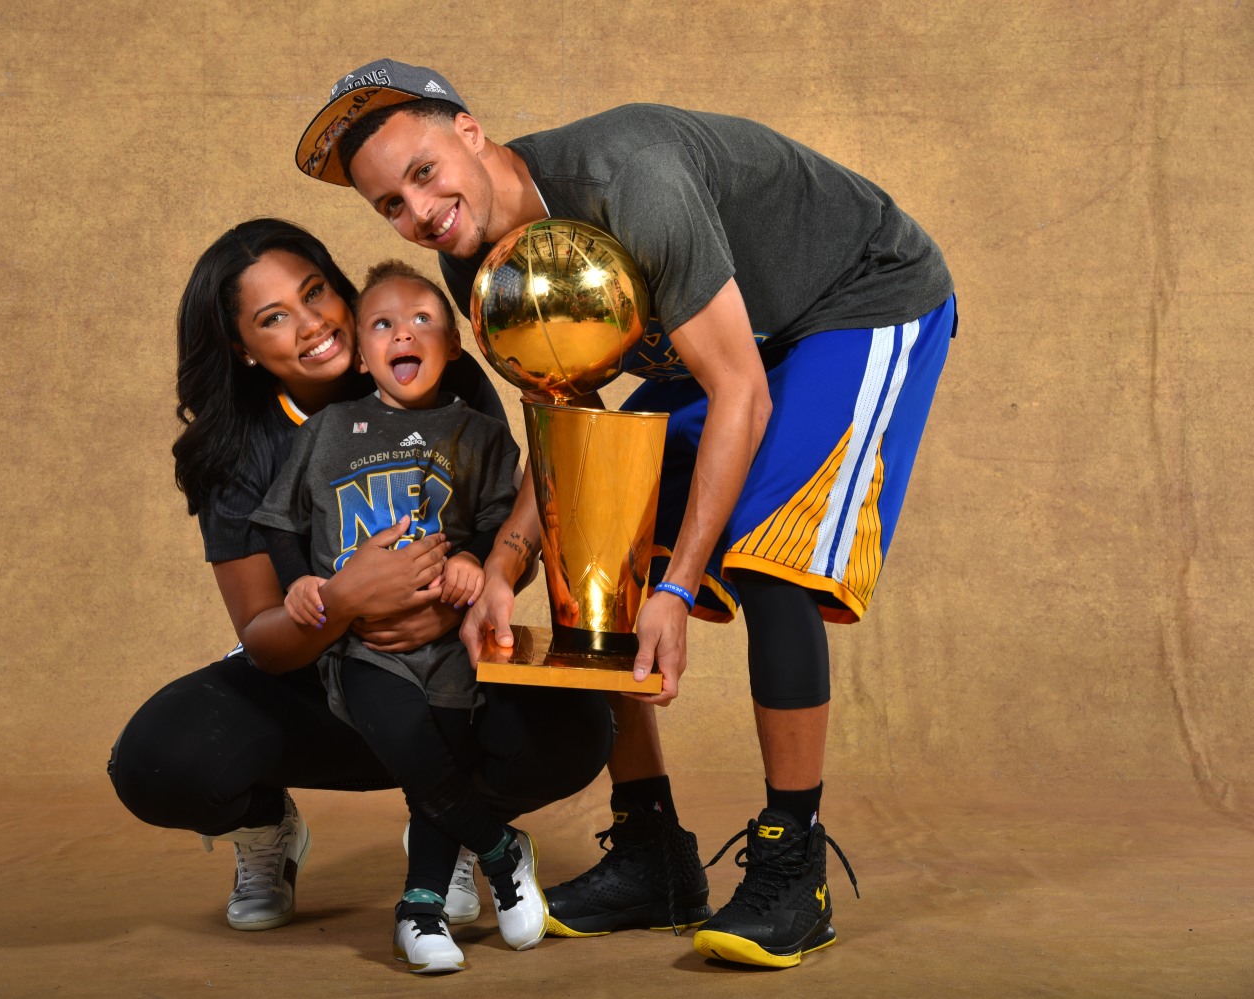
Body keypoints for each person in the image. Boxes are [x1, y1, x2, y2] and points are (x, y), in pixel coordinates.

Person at [294, 60, 956, 968]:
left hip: (856, 297)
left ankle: (793, 863)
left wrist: (679, 588)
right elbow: (570, 421)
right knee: (597, 543)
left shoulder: (630, 181)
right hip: (740, 336)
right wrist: (507, 561)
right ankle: (652, 852)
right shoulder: (469, 260)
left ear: (472, 131)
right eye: (390, 208)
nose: (420, 211)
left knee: (768, 559)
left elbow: (739, 393)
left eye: (422, 172)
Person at [106, 219, 612, 944]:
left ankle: (457, 827)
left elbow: (504, 523)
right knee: (160, 759)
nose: (310, 324)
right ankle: (268, 830)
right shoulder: (239, 451)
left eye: (316, 293)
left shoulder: (422, 358)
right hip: (323, 679)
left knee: (577, 725)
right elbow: (265, 639)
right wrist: (346, 600)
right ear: (245, 350)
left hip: (445, 665)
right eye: (274, 318)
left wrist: (469, 585)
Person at [252, 260, 549, 971]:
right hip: (362, 647)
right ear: (360, 353)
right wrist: (299, 585)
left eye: (423, 320)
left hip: (449, 644)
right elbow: (278, 523)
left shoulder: (477, 434)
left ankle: (420, 908)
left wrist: (477, 561)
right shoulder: (327, 429)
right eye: (381, 323)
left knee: (440, 759)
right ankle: (501, 849)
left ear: (451, 347)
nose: (402, 333)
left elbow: (501, 522)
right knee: (412, 742)